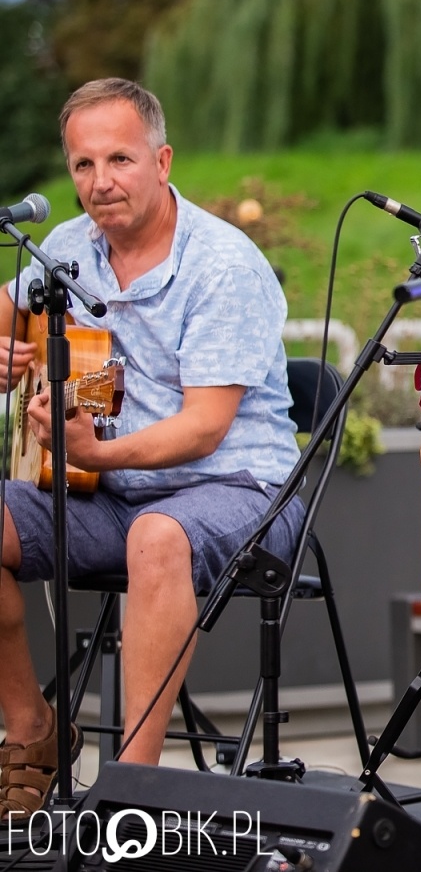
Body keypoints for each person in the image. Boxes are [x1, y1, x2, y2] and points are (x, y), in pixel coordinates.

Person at [0, 79, 303, 810]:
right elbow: (8, 312)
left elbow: (205, 428)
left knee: (158, 539)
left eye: (120, 160)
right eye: (82, 165)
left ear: (162, 161)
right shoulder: (66, 248)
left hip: (237, 488)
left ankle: (135, 788)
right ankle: (32, 728)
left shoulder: (223, 266)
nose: (100, 183)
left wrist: (94, 454)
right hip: (107, 493)